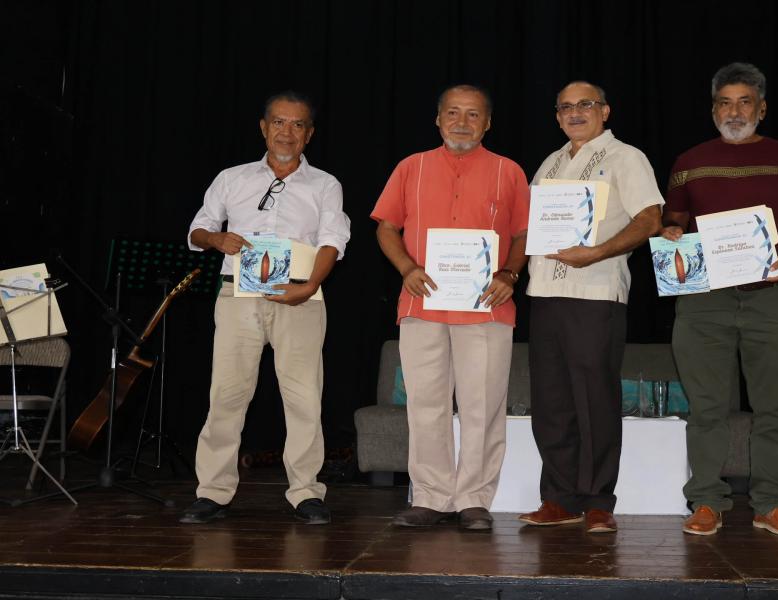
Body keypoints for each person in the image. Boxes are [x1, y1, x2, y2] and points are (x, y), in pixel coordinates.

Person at [662, 62, 778, 537]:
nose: (734, 111)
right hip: (703, 300)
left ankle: (771, 503)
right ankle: (707, 501)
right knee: (706, 406)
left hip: (772, 296)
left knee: (775, 407)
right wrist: (670, 231)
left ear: (762, 107)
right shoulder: (688, 160)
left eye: (744, 101)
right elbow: (674, 221)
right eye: (725, 102)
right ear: (713, 108)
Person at [181, 91, 351, 525]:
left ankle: (306, 492)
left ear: (309, 134)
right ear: (263, 127)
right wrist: (217, 240)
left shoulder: (325, 184)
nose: (287, 132)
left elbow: (334, 240)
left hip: (300, 295)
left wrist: (311, 285)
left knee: (304, 397)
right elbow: (199, 228)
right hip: (238, 294)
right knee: (227, 394)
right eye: (279, 122)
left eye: (297, 125)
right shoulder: (232, 177)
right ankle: (214, 491)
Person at [371, 84, 530, 531]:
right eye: (453, 113)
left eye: (473, 115)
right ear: (438, 119)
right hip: (422, 304)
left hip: (486, 307)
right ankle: (430, 497)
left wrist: (510, 275)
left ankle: (474, 499)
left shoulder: (509, 172)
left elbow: (521, 236)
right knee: (426, 405)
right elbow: (386, 227)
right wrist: (405, 267)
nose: (462, 123)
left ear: (488, 123)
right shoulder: (411, 168)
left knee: (483, 406)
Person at [518, 81, 663, 533]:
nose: (575, 113)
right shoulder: (550, 162)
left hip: (596, 292)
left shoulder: (627, 158)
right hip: (544, 292)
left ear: (605, 111)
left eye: (585, 105)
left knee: (594, 398)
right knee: (551, 401)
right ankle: (559, 497)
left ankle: (599, 499)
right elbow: (530, 228)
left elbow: (650, 219)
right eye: (565, 107)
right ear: (557, 116)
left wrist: (597, 253)